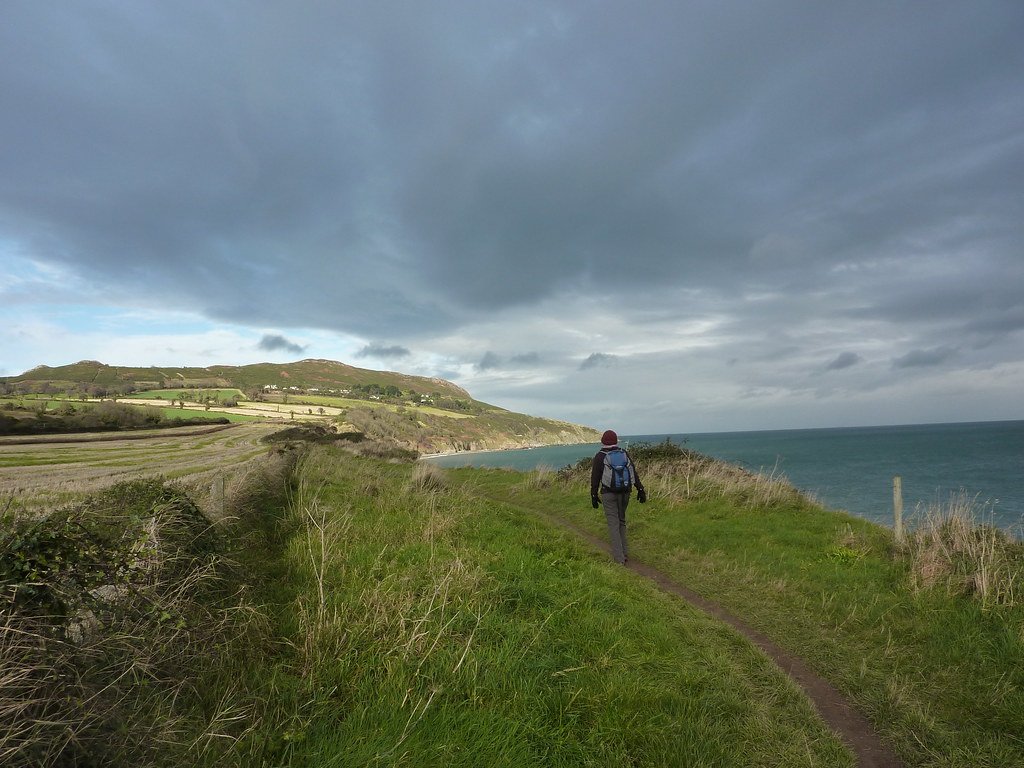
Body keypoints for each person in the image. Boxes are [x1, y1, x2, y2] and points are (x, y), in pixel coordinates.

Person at [590, 430, 646, 565]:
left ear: (603, 441)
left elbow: (595, 478)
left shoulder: (599, 456)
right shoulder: (624, 454)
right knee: (621, 521)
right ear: (616, 441)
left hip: (608, 494)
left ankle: (619, 558)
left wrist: (593, 494)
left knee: (613, 524)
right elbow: (633, 472)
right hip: (625, 492)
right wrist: (640, 489)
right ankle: (624, 552)